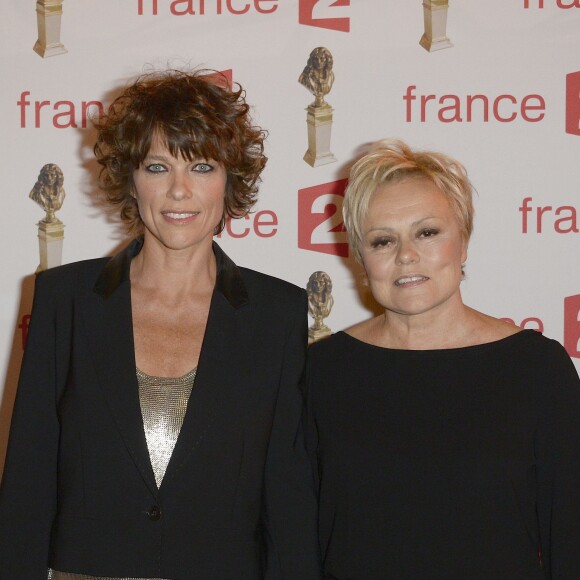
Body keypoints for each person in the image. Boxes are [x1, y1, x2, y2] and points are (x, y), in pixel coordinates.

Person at [0, 69, 320, 579]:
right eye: (156, 166)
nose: (178, 190)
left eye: (201, 165)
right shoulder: (66, 301)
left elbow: (289, 497)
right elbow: (27, 484)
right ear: (131, 178)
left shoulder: (276, 312)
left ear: (229, 178)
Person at [304, 139, 580, 578]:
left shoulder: (536, 371)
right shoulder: (321, 373)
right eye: (382, 240)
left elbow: (571, 541)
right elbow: (296, 542)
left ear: (463, 242)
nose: (406, 255)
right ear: (360, 257)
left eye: (427, 232)